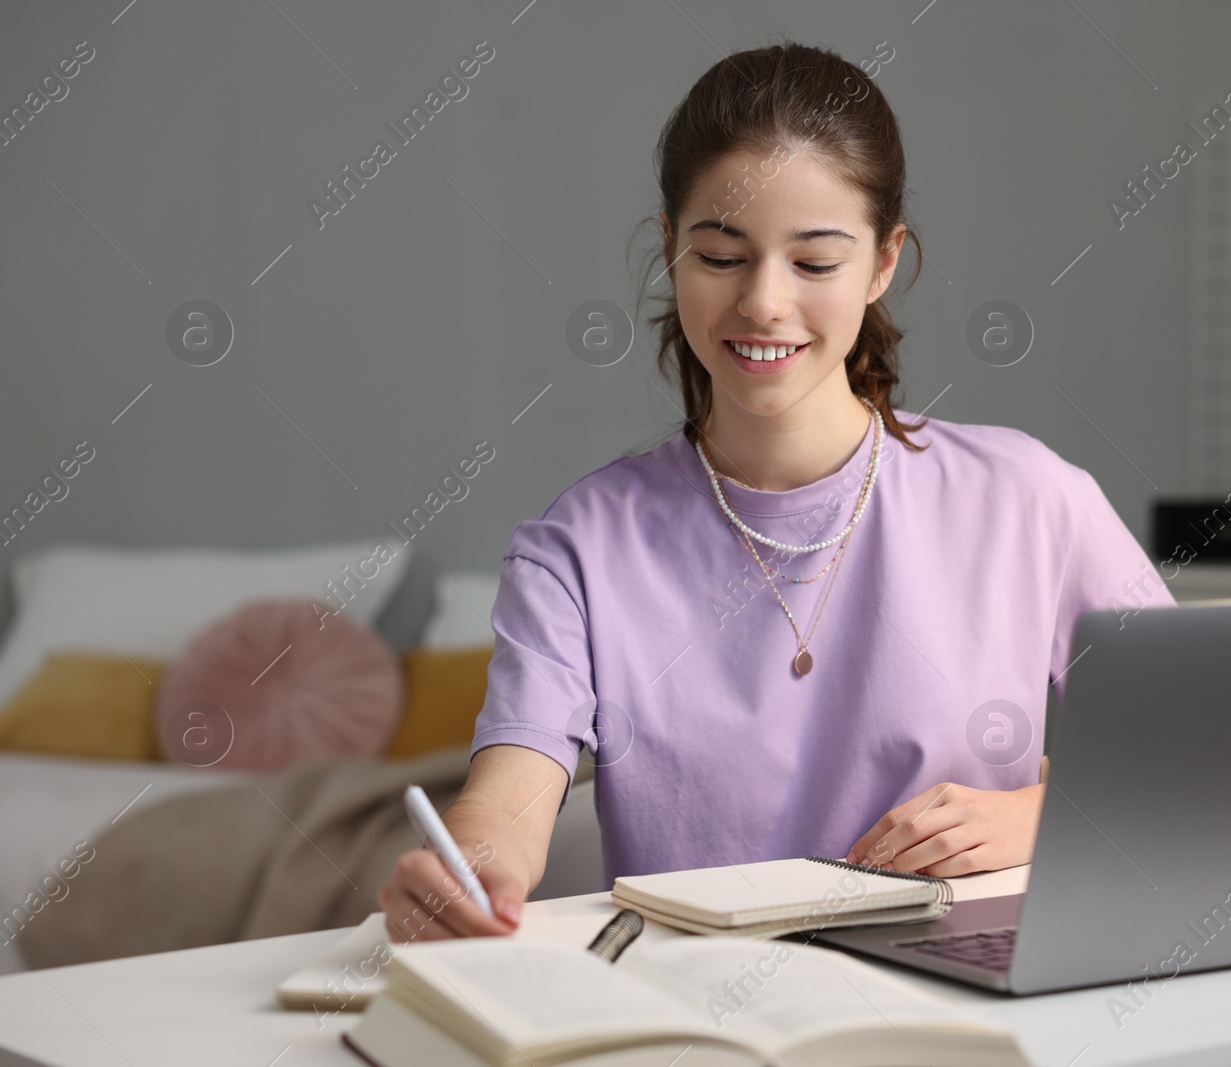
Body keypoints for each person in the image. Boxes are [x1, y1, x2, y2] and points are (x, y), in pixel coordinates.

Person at [378, 39, 1173, 942]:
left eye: (814, 262)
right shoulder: (581, 548)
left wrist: (1043, 816)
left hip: (969, 1002)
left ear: (882, 264)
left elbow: (1207, 748)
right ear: (671, 250)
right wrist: (467, 874)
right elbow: (509, 800)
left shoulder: (1029, 498)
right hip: (695, 1013)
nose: (763, 302)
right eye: (721, 255)